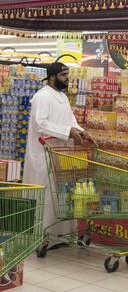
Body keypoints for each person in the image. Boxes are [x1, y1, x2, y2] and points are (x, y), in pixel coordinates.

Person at [23, 62, 90, 240]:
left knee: (62, 196)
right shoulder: (42, 97)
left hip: (61, 155)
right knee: (46, 198)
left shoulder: (63, 97)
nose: (67, 78)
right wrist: (67, 132)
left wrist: (80, 131)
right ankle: (43, 237)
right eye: (63, 75)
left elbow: (71, 120)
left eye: (67, 74)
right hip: (43, 156)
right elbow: (40, 124)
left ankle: (62, 235)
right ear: (52, 76)